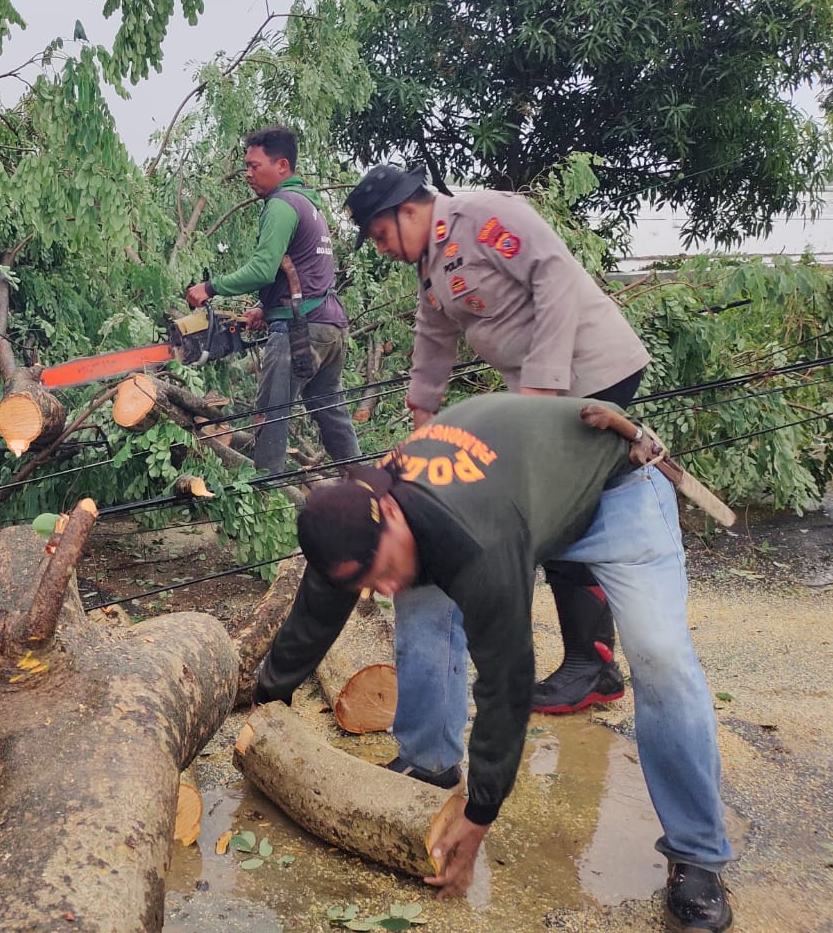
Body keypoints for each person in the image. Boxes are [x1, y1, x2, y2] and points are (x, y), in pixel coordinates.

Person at [255, 394, 734, 932]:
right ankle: (429, 762)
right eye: (367, 581)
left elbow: (505, 682)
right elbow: (319, 606)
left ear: (390, 512)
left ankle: (697, 855)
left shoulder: (475, 537)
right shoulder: (353, 517)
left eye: (382, 568)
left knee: (661, 657)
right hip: (520, 499)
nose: (383, 587)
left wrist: (479, 813)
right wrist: (268, 696)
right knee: (418, 594)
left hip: (614, 489)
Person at [343, 163, 649, 716]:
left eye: (382, 236)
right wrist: (422, 428)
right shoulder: (431, 267)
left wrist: (539, 391)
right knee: (547, 510)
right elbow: (433, 340)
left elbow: (555, 276)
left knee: (554, 510)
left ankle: (594, 663)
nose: (383, 249)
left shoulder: (484, 217)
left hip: (592, 377)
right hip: (545, 395)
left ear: (407, 210)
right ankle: (590, 662)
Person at [184, 126, 359, 471]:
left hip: (301, 329)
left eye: (254, 165)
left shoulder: (281, 205)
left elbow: (263, 269)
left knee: (270, 416)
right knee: (332, 415)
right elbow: (303, 268)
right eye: (246, 166)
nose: (248, 174)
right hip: (328, 324)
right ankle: (367, 486)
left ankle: (267, 500)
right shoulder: (309, 204)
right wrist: (266, 308)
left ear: (282, 165)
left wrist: (210, 287)